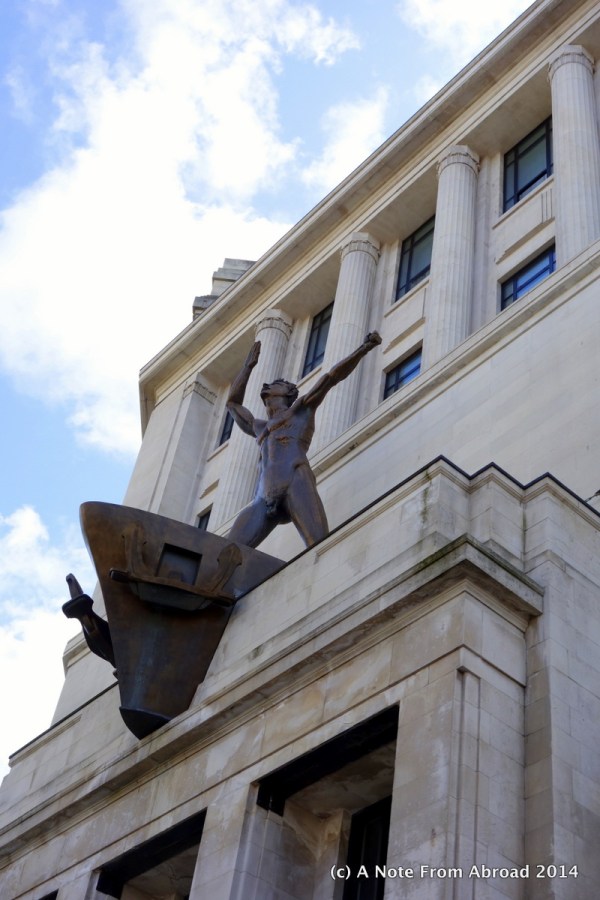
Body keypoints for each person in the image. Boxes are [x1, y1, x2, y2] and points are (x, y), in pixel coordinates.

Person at [226, 330, 382, 548]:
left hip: (295, 480)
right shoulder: (259, 426)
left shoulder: (300, 410)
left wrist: (364, 348)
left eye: (277, 383)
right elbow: (232, 404)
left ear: (288, 392)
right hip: (263, 496)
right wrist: (247, 367)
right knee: (225, 550)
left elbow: (331, 378)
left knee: (319, 547)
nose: (268, 384)